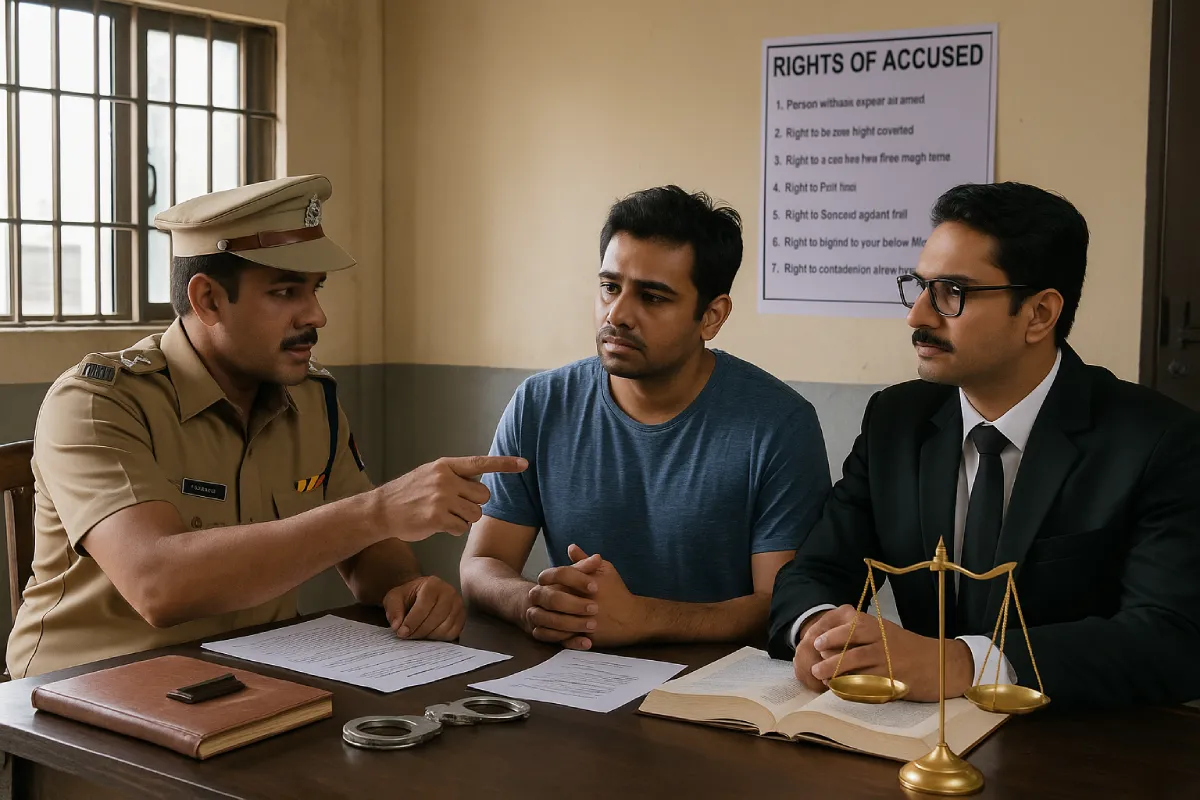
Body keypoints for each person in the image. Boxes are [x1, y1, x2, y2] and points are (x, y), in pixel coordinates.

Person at [6, 175, 526, 678]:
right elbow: (159, 584)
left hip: (253, 683)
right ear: (208, 299)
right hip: (81, 708)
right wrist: (380, 510)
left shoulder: (310, 400)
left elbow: (366, 548)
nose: (317, 315)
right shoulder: (99, 401)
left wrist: (406, 587)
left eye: (315, 290)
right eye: (284, 292)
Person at [768, 181, 1200, 709]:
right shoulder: (896, 420)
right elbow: (814, 570)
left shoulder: (1159, 441)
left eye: (952, 292)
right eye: (919, 286)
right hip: (909, 738)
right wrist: (820, 630)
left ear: (1039, 314)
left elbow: (1171, 638)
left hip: (1074, 746)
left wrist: (964, 662)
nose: (917, 316)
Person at [460, 185, 830, 650]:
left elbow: (780, 603)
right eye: (610, 287)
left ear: (712, 316)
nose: (617, 314)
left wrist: (643, 618)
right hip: (575, 680)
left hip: (719, 696)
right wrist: (531, 603)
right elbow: (481, 564)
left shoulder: (779, 424)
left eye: (653, 297)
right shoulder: (540, 403)